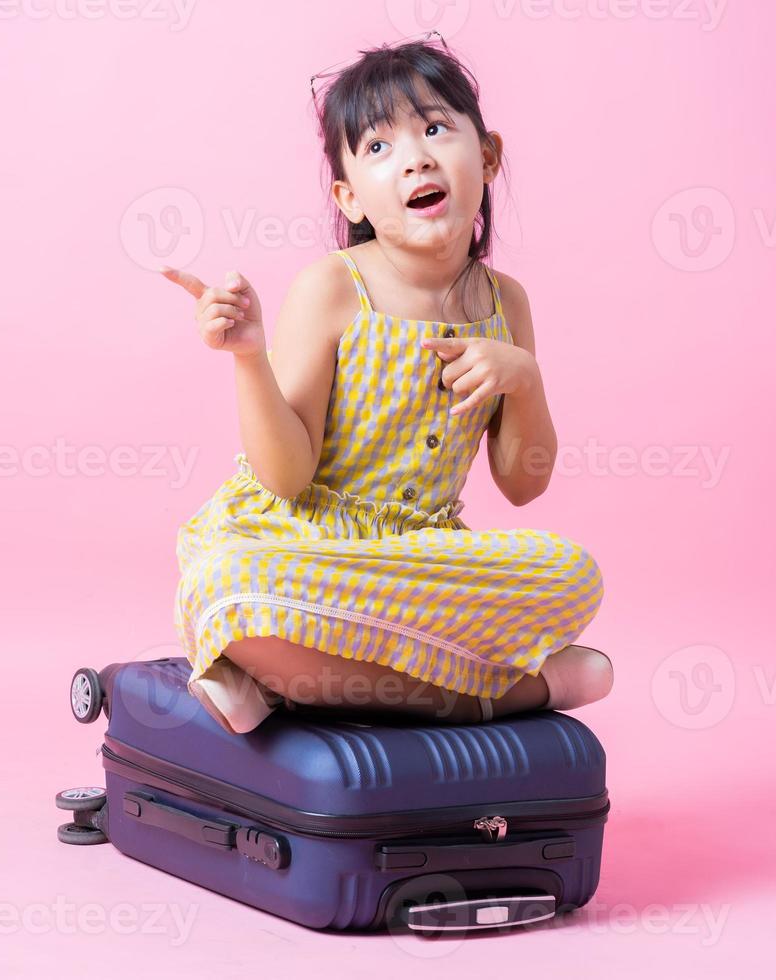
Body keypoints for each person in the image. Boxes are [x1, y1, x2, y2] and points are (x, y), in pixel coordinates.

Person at [160, 37, 612, 735]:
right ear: (349, 195)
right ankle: (508, 692)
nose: (415, 158)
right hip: (298, 545)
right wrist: (248, 356)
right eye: (378, 147)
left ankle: (278, 681)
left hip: (413, 560)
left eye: (434, 129)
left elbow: (523, 486)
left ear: (486, 156)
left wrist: (523, 382)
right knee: (227, 586)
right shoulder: (333, 287)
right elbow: (284, 476)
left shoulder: (505, 304)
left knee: (570, 572)